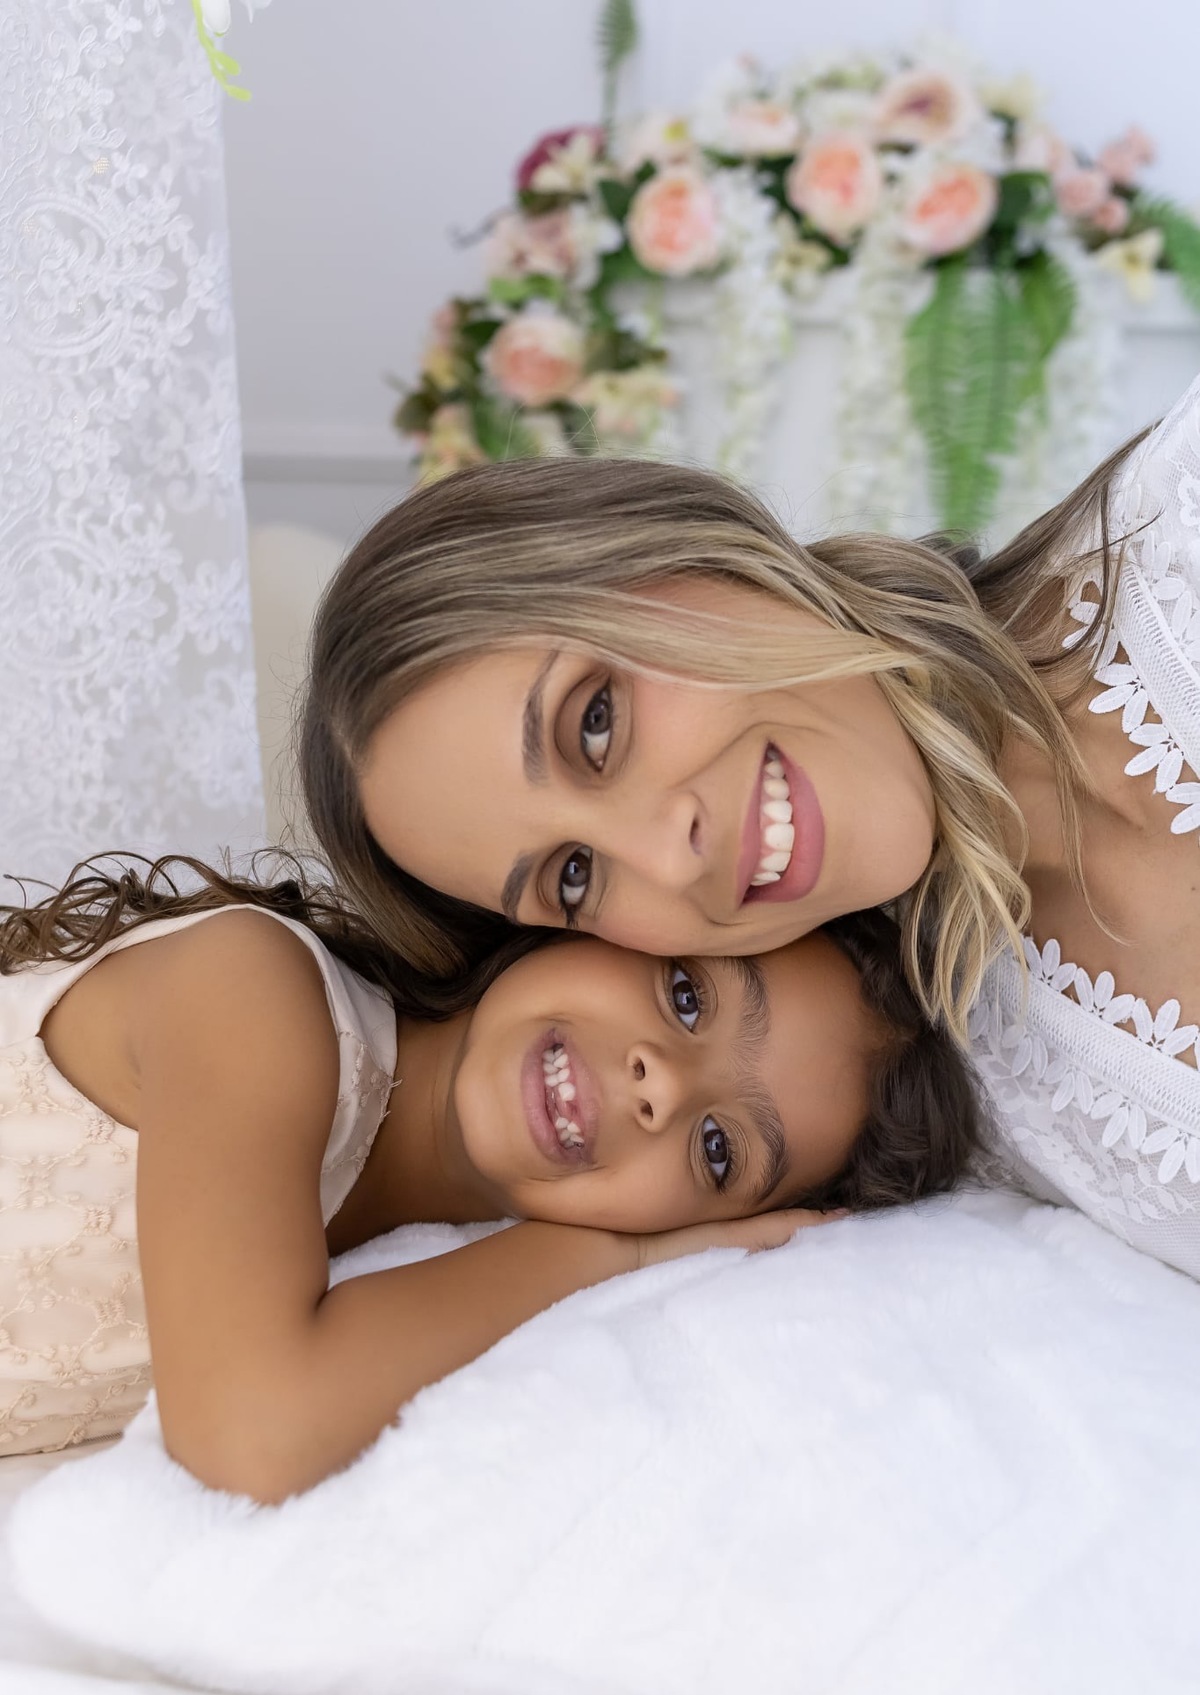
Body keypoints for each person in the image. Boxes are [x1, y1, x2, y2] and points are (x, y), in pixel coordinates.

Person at [298, 373, 1200, 1279]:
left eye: (596, 725)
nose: (666, 854)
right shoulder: (965, 1096)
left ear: (675, 550)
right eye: (574, 875)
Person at [0, 856, 976, 1499]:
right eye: (687, 995)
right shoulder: (252, 993)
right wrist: (612, 1246)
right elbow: (251, 1430)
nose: (661, 1085)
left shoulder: (409, 1268)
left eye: (719, 1150)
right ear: (597, 920)